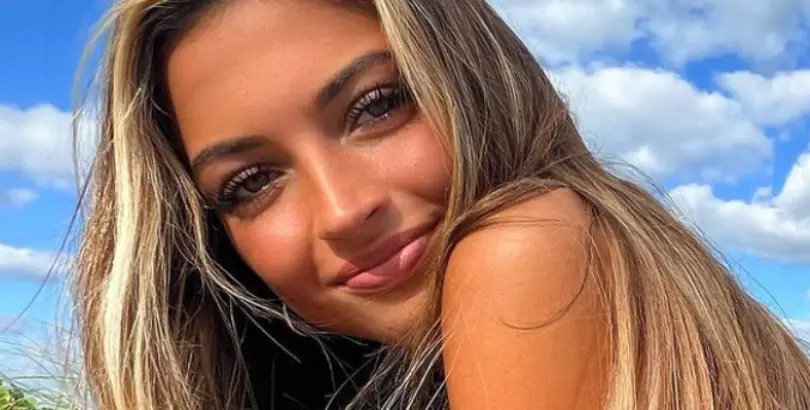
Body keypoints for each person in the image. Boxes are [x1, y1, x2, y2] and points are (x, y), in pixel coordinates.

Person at [71, 0, 810, 409]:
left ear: (469, 74)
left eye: (377, 106)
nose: (341, 210)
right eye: (251, 182)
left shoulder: (522, 249)